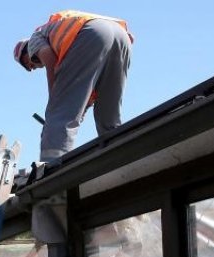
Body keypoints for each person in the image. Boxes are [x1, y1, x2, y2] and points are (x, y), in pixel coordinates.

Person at [13, 10, 134, 162]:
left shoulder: (34, 40)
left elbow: (49, 60)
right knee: (108, 115)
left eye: (29, 65)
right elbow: (84, 92)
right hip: (122, 36)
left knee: (58, 115)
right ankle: (119, 156)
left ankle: (53, 168)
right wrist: (79, 111)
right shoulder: (65, 40)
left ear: (25, 55)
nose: (33, 67)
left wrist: (55, 102)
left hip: (90, 34)